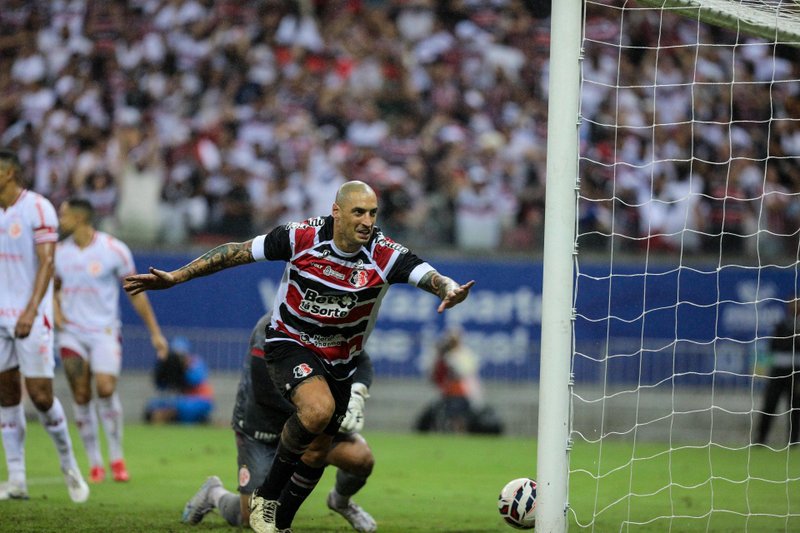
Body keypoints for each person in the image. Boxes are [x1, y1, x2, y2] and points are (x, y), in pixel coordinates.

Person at [124, 180, 474, 533]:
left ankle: (280, 520)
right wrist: (176, 277)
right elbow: (236, 252)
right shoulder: (301, 236)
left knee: (319, 450)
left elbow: (427, 274)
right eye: (358, 212)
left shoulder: (385, 254)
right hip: (288, 344)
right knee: (317, 410)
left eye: (372, 213)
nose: (367, 221)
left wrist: (447, 287)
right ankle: (266, 497)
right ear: (336, 211)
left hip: (338, 362)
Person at [181, 313, 377, 532]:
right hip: (262, 426)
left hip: (312, 421)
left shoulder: (328, 323)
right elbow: (265, 392)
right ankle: (214, 494)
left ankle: (340, 502)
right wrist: (316, 415)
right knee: (249, 518)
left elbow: (360, 361)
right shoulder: (270, 327)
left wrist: (357, 394)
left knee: (360, 458)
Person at [54, 197, 169, 483]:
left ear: (80, 218)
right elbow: (52, 287)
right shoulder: (59, 253)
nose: (60, 220)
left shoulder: (113, 250)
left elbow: (136, 292)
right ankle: (95, 462)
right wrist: (56, 311)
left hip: (104, 331)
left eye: (64, 215)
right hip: (71, 333)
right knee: (80, 394)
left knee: (105, 389)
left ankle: (116, 457)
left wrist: (155, 333)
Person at [0, 149, 89, 502]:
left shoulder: (37, 208)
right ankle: (17, 479)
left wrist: (30, 310)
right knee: (6, 395)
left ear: (8, 174)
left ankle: (69, 466)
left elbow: (47, 263)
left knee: (40, 395)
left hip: (31, 316)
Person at [415, 328, 503, 435]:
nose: (451, 343)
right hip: (447, 394)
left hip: (465, 395)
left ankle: (458, 432)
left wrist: (450, 357)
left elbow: (465, 371)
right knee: (433, 413)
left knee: (457, 413)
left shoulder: (464, 354)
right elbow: (431, 373)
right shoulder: (442, 355)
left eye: (453, 340)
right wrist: (439, 354)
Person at [756, 298, 800, 446]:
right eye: (792, 302)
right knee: (769, 405)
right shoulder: (781, 324)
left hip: (797, 372)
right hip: (777, 371)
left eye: (797, 302)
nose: (794, 305)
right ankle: (760, 439)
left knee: (795, 407)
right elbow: (772, 345)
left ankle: (794, 440)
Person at [144, 336, 215, 424]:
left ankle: (174, 418)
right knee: (155, 404)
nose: (178, 359)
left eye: (181, 355)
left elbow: (195, 380)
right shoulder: (170, 365)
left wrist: (184, 370)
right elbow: (161, 385)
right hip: (180, 398)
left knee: (181, 407)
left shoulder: (195, 362)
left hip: (200, 399)